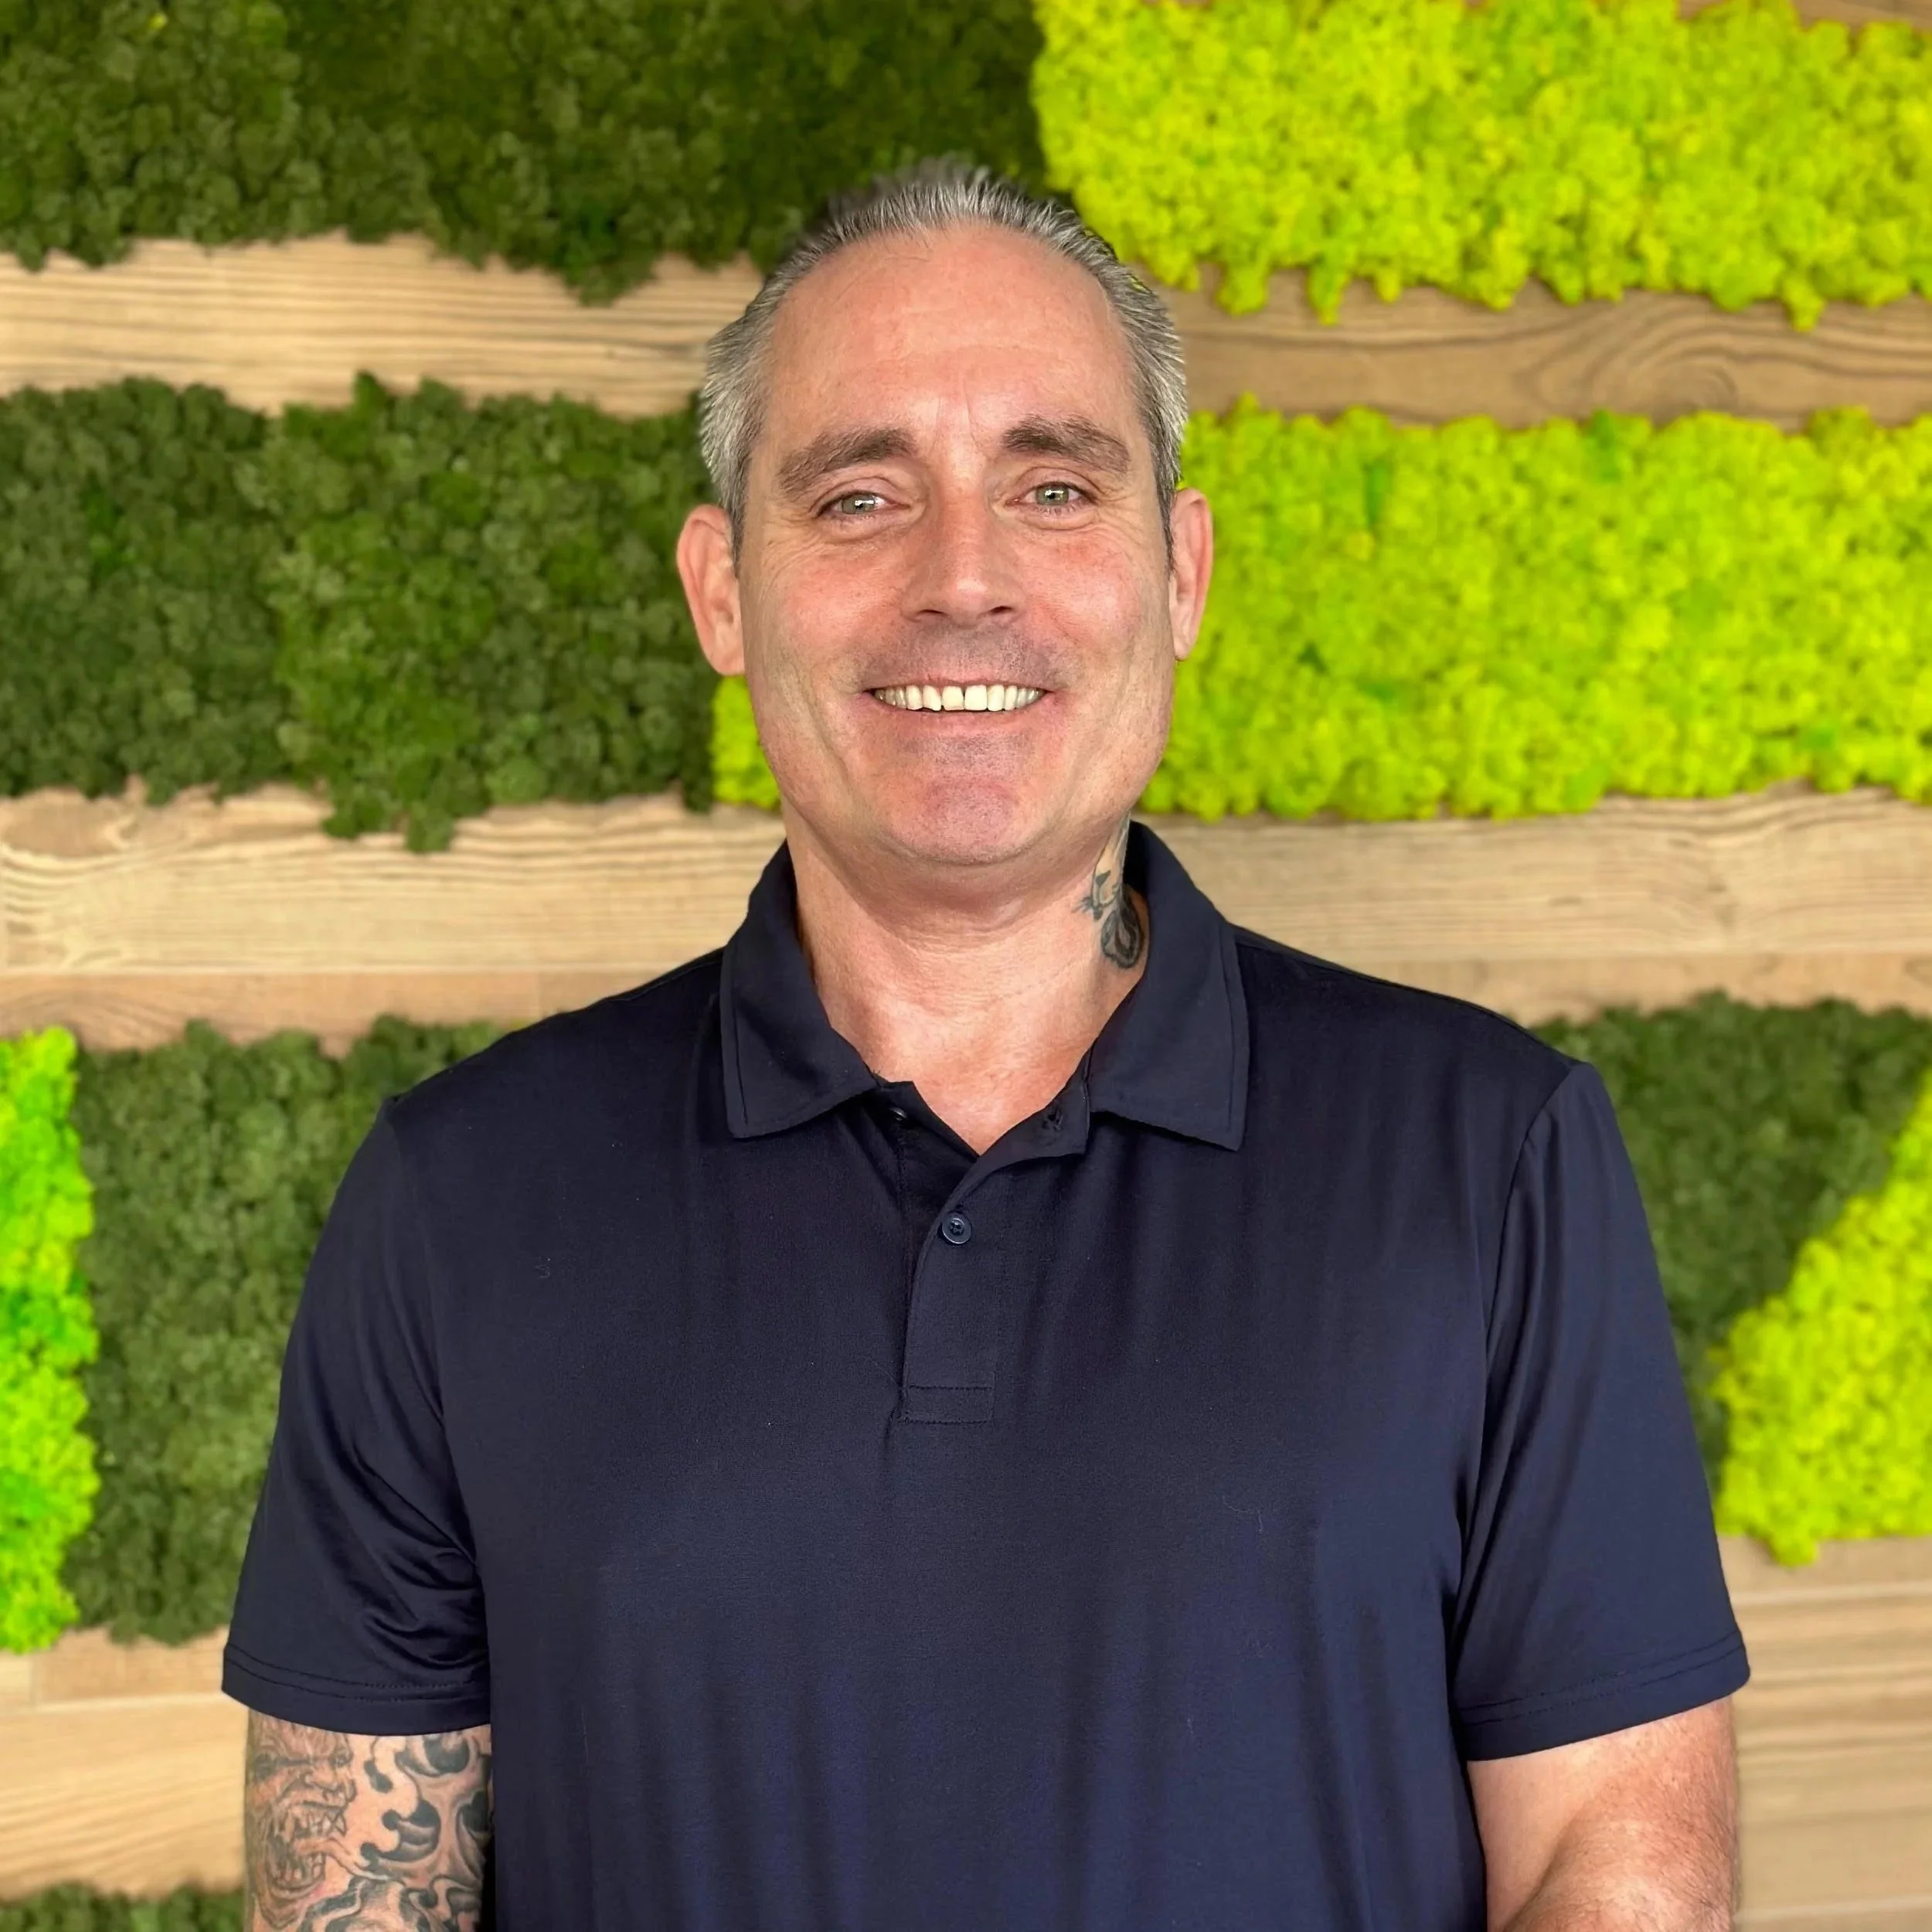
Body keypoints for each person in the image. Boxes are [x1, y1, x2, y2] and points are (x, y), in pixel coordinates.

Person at [223, 162, 1748, 1930]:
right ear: (723, 592)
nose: (964, 577)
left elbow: (1610, 1866)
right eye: (860, 494)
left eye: (1050, 484)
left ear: (1176, 569)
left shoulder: (1492, 1154)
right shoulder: (455, 1198)